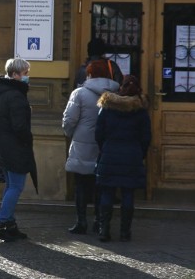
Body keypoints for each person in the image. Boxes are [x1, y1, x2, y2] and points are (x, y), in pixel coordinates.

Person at [62, 59, 119, 234]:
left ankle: (81, 222)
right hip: (106, 145)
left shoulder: (79, 93)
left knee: (81, 184)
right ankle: (99, 221)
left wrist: (72, 134)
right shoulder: (116, 93)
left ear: (89, 74)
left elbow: (69, 120)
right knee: (101, 185)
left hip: (82, 142)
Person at [95, 75, 151, 242]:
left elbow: (99, 133)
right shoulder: (140, 111)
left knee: (107, 192)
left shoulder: (107, 107)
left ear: (120, 88)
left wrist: (104, 149)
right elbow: (146, 137)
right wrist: (140, 153)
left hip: (110, 152)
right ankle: (125, 232)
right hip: (132, 154)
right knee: (128, 194)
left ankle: (104, 230)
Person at [0, 58, 38, 242]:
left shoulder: (1, 91)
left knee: (11, 185)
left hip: (3, 145)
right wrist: (28, 139)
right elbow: (19, 126)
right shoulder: (16, 95)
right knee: (16, 186)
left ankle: (9, 224)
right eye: (25, 73)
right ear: (15, 74)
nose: (27, 77)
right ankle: (1, 223)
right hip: (15, 146)